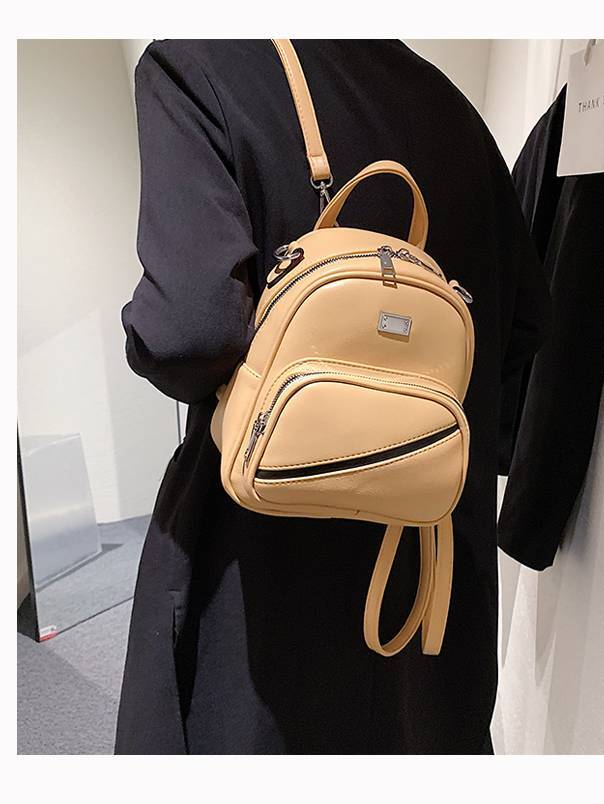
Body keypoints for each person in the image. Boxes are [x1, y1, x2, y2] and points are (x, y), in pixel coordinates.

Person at [116, 39, 550, 755]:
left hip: (262, 577)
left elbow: (186, 332)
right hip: (428, 572)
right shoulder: (455, 113)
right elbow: (524, 328)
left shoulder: (196, 67)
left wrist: (138, 324)